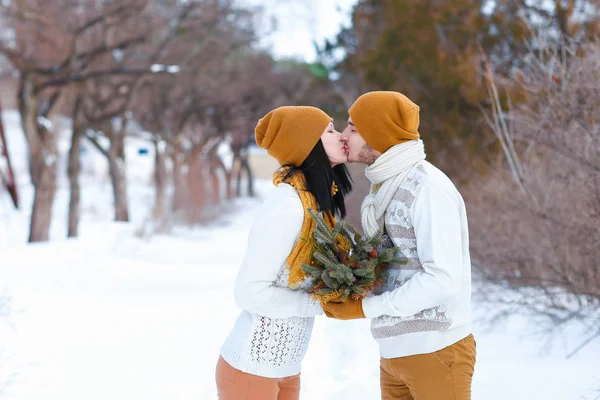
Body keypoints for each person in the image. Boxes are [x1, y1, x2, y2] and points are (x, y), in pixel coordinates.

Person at [324, 91, 476, 400]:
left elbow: (443, 279)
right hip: (394, 352)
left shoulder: (427, 188)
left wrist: (366, 308)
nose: (345, 135)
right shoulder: (386, 187)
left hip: (435, 349)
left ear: (378, 133)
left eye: (353, 128)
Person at [216, 106, 352, 400]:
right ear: (307, 145)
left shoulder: (317, 204)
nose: (341, 136)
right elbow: (249, 292)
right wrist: (319, 304)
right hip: (251, 371)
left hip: (287, 368)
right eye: (330, 131)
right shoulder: (287, 204)